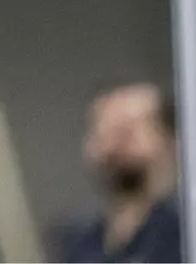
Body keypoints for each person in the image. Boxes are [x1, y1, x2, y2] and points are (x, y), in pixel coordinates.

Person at [57, 82, 183, 264]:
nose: (111, 147)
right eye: (102, 134)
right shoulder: (78, 241)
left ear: (169, 140)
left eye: (125, 132)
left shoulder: (188, 234)